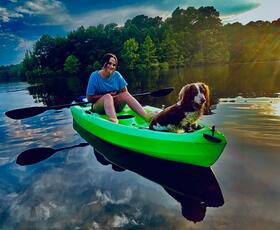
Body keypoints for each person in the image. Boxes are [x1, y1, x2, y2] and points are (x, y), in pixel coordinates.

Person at [86, 53, 153, 124]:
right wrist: (108, 95)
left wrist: (114, 96)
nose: (112, 66)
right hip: (99, 107)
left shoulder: (117, 75)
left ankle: (146, 116)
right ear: (104, 63)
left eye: (114, 65)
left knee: (126, 94)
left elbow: (125, 92)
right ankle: (113, 120)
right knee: (108, 97)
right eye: (109, 63)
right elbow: (89, 98)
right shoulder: (94, 76)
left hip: (115, 105)